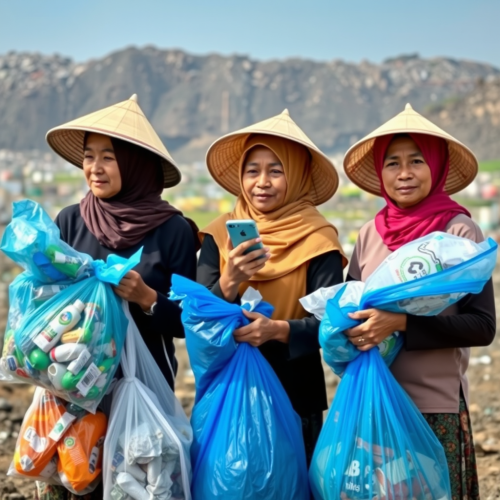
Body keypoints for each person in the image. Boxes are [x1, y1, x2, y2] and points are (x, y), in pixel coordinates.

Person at [36, 94, 198, 500]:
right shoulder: (71, 220)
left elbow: (185, 322)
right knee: (79, 479)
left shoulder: (173, 230)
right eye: (89, 156)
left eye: (108, 157)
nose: (94, 167)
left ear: (136, 164)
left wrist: (147, 298)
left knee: (138, 481)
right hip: (73, 380)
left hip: (141, 382)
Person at [343, 103, 496, 499]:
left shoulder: (460, 231)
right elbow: (350, 312)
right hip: (374, 399)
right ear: (380, 171)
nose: (404, 173)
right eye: (392, 163)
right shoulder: (368, 235)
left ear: (436, 166)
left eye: (416, 161)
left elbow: (482, 326)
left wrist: (402, 324)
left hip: (434, 405)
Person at [197, 109, 347, 465]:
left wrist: (277, 330)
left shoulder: (318, 239)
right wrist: (230, 278)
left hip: (295, 396)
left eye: (276, 170)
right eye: (252, 171)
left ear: (295, 176)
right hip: (229, 389)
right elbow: (197, 318)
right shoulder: (219, 235)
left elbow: (330, 326)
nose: (261, 182)